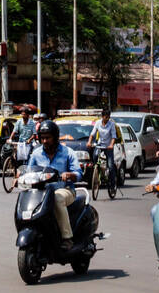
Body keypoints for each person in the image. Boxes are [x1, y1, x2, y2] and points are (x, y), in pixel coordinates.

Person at [19, 119, 82, 254]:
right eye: (42, 138)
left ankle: (67, 238)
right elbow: (29, 171)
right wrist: (19, 177)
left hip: (65, 190)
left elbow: (79, 173)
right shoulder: (36, 153)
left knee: (57, 199)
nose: (45, 141)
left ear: (55, 137)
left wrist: (69, 175)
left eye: (48, 138)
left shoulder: (67, 152)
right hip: (41, 191)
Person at [87, 108, 118, 193]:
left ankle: (112, 186)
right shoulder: (97, 123)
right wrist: (89, 142)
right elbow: (92, 134)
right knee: (95, 156)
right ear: (102, 116)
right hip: (100, 145)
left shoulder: (111, 124)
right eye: (105, 117)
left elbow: (113, 136)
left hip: (108, 147)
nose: (107, 119)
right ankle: (97, 170)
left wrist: (111, 145)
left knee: (111, 166)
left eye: (108, 117)